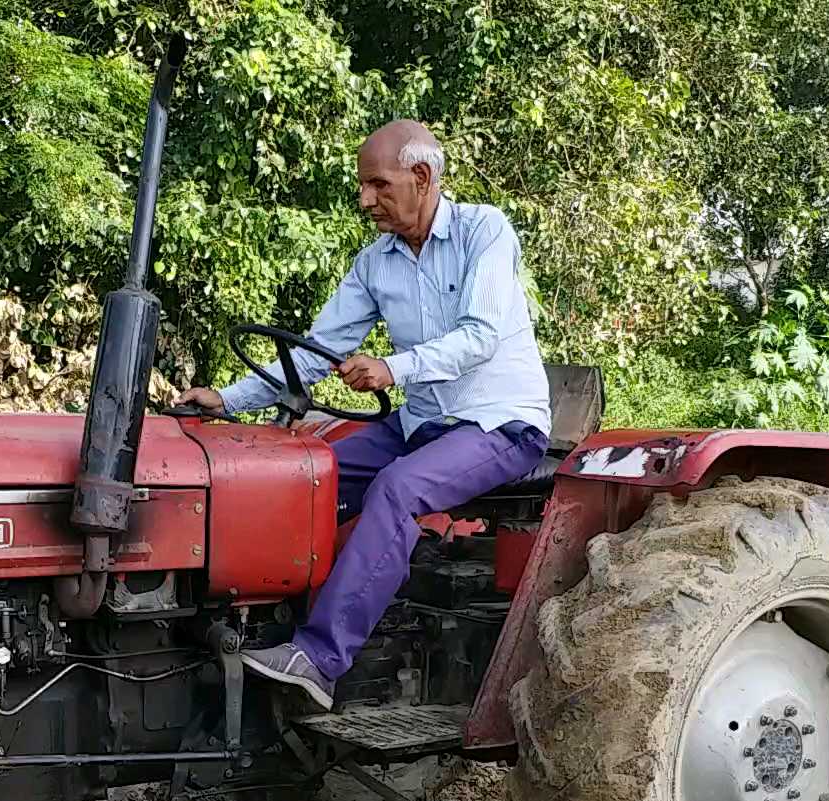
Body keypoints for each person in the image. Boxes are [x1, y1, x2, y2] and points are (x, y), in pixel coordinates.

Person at [175, 120, 552, 709]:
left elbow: (480, 337)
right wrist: (229, 400)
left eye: (378, 185)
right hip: (423, 424)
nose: (364, 200)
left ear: (422, 177)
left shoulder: (485, 232)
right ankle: (251, 625)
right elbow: (314, 351)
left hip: (501, 423)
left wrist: (393, 368)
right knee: (305, 473)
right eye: (363, 186)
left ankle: (320, 658)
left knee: (399, 489)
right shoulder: (378, 261)